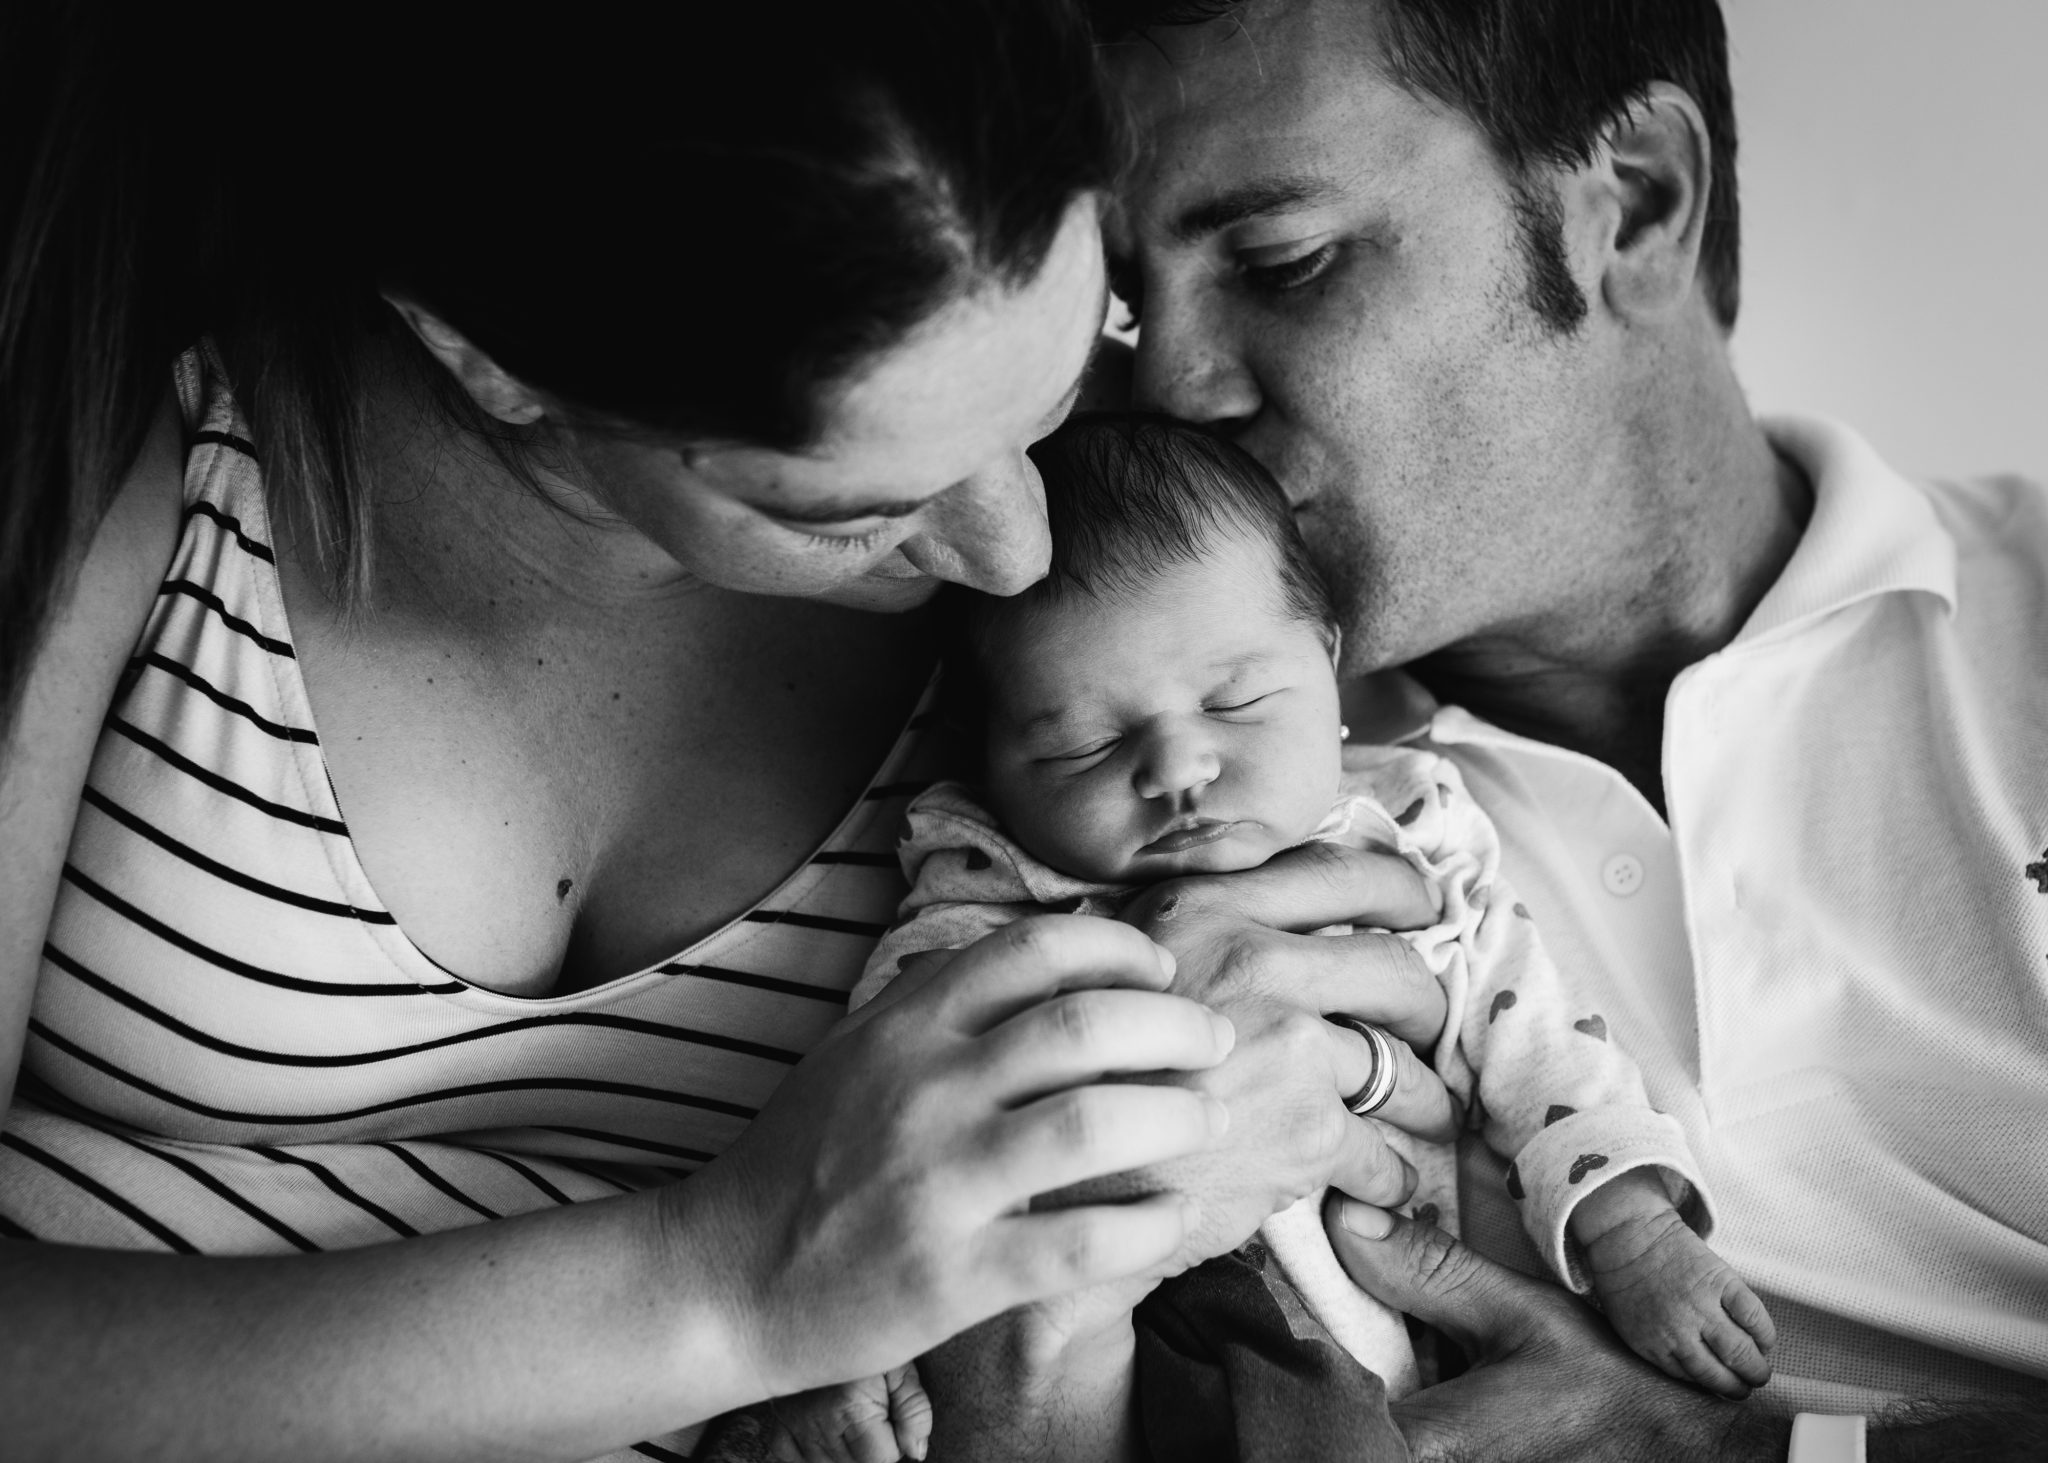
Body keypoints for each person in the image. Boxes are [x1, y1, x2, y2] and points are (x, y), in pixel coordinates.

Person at [0, 5, 1447, 1459]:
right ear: (487, 355)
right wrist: (733, 1283)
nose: (1013, 553)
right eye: (849, 504)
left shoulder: (1135, 568)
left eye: (1061, 382)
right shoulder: (115, 450)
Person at [1086, 0, 2048, 1457]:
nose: (1171, 386)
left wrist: (1743, 1449)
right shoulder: (1130, 791)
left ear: (1639, 203)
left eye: (1285, 262)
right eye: (1121, 309)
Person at [772, 411, 1772, 1462]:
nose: (1177, 765)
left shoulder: (1413, 831)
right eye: (1083, 743)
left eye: (1237, 698)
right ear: (988, 761)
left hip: (1389, 1338)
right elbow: (886, 1121)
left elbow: (1538, 1037)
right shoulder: (988, 877)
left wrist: (1630, 1231)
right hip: (1127, 1336)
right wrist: (840, 1359)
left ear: (1328, 660)